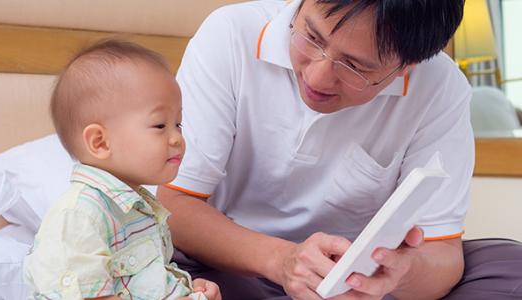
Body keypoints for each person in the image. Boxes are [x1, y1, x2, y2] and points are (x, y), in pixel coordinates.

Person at [157, 0, 522, 299]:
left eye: (355, 67)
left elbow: (443, 255)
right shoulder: (232, 33)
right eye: (311, 37)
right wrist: (281, 260)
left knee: (510, 266)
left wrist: (398, 273)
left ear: (406, 66)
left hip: (349, 286)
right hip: (230, 263)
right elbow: (173, 204)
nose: (317, 77)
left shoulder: (441, 88)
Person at [23, 39, 221, 300]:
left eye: (179, 124)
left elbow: (142, 282)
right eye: (160, 125)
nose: (176, 138)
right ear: (100, 142)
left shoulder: (137, 210)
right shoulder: (80, 217)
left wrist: (187, 287)